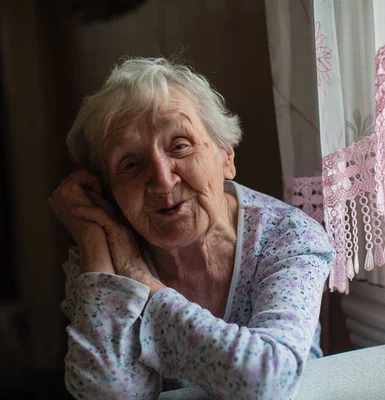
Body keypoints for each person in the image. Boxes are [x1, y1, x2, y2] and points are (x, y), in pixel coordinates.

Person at [48, 57, 335, 400]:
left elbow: (268, 380)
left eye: (180, 145)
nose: (162, 178)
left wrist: (140, 280)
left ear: (225, 155)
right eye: (130, 164)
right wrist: (92, 234)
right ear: (109, 192)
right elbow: (106, 394)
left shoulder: (288, 237)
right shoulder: (103, 257)